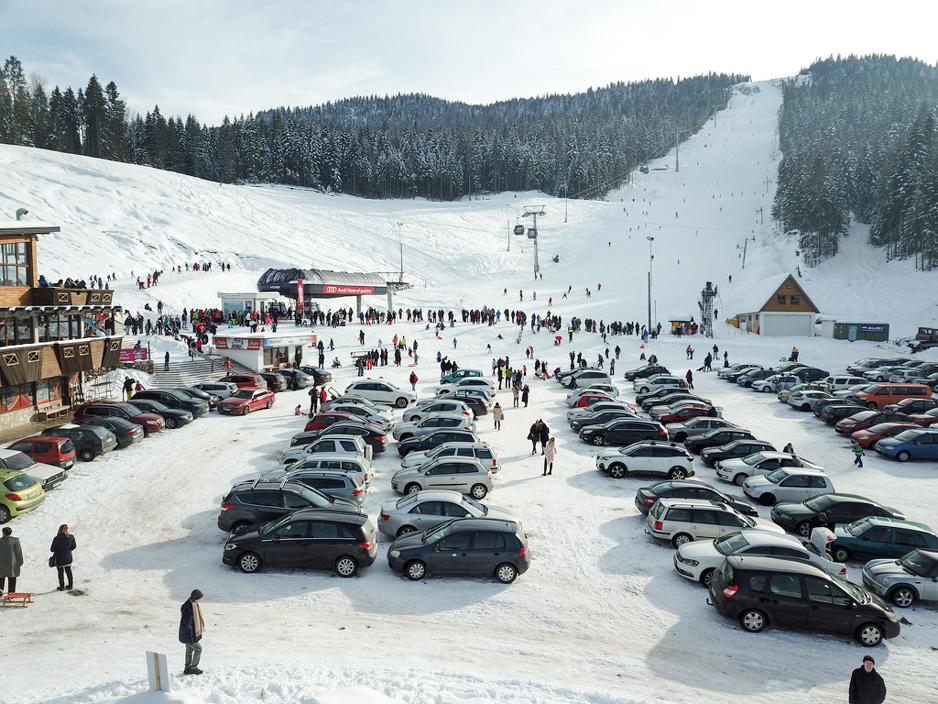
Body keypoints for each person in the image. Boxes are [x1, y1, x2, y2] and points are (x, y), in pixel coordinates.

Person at [179, 589, 206, 675]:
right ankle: (194, 668)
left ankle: (187, 668)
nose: (200, 600)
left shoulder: (193, 605)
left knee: (189, 650)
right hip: (189, 634)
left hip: (190, 633)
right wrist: (189, 636)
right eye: (199, 598)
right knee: (198, 649)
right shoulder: (189, 608)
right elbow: (187, 624)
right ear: (195, 598)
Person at [50, 524, 76, 591]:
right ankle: (70, 585)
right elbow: (74, 546)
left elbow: (52, 549)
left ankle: (61, 586)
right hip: (68, 557)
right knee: (68, 571)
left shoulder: (56, 539)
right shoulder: (71, 537)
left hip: (59, 558)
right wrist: (68, 550)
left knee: (60, 572)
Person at [0, 526, 24, 595]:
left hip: (1, 564)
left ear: (4, 533)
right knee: (12, 579)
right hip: (12, 564)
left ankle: (0, 594)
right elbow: (19, 552)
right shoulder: (16, 542)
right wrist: (20, 562)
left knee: (1, 580)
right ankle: (11, 594)